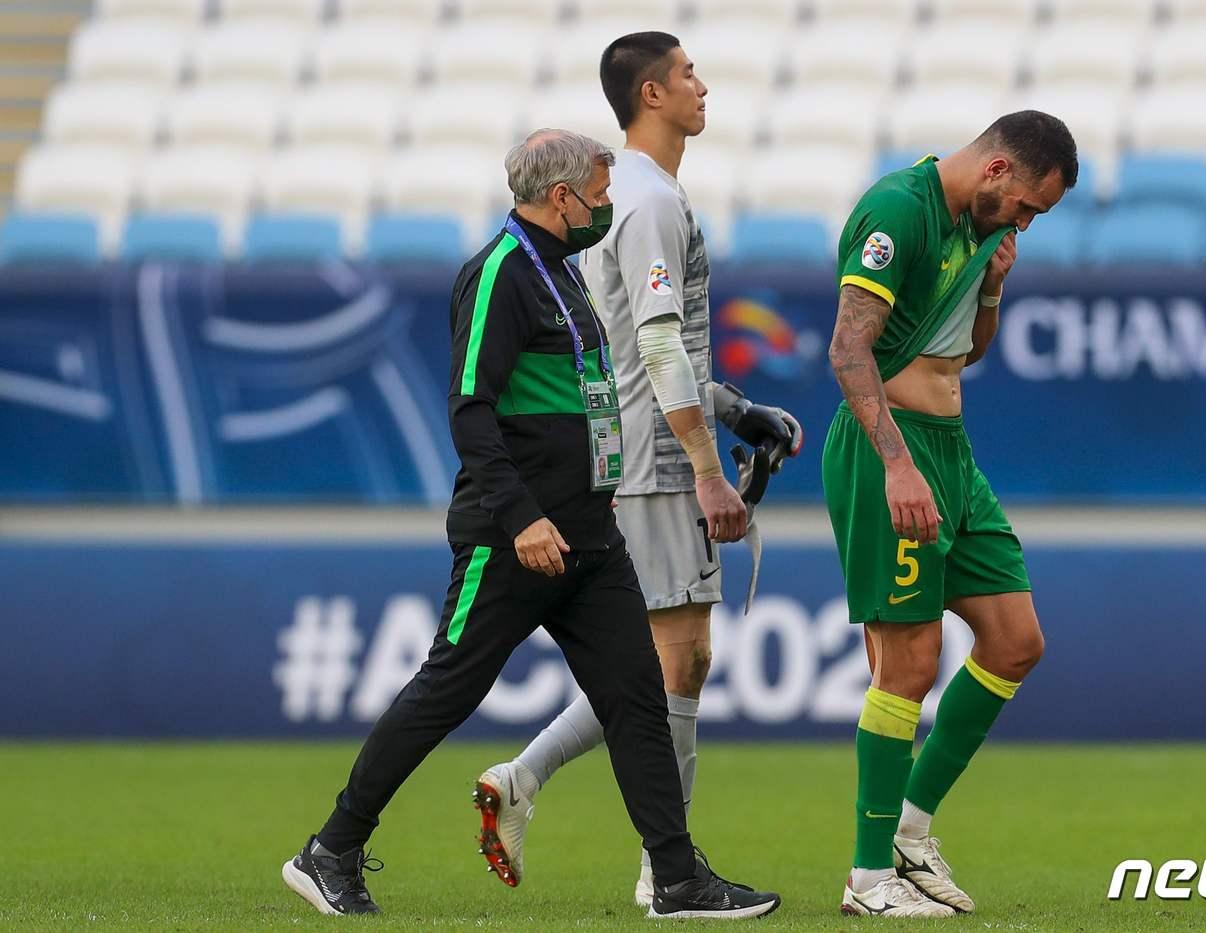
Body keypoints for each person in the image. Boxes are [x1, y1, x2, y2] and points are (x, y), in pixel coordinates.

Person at [280, 128, 780, 921]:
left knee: (637, 698)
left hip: (589, 534)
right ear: (561, 197)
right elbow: (470, 409)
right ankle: (331, 847)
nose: (607, 207)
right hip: (513, 537)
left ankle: (678, 878)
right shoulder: (499, 274)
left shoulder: (565, 274)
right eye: (599, 194)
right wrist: (520, 517)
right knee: (447, 690)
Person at [475, 32, 800, 908]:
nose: (704, 85)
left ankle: (525, 781)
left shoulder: (627, 198)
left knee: (655, 666)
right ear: (651, 93)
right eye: (689, 73)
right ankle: (669, 875)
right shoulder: (649, 201)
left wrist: (737, 411)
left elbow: (640, 340)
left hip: (632, 447)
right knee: (680, 662)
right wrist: (707, 465)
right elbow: (656, 343)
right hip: (655, 459)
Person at [822, 111, 1077, 918]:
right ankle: (869, 880)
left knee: (1014, 640)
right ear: (998, 170)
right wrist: (897, 463)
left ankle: (910, 830)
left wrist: (994, 285)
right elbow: (846, 349)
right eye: (1029, 206)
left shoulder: (974, 227)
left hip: (953, 451)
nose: (1027, 223)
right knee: (908, 663)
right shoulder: (900, 211)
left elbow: (962, 353)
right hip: (888, 452)